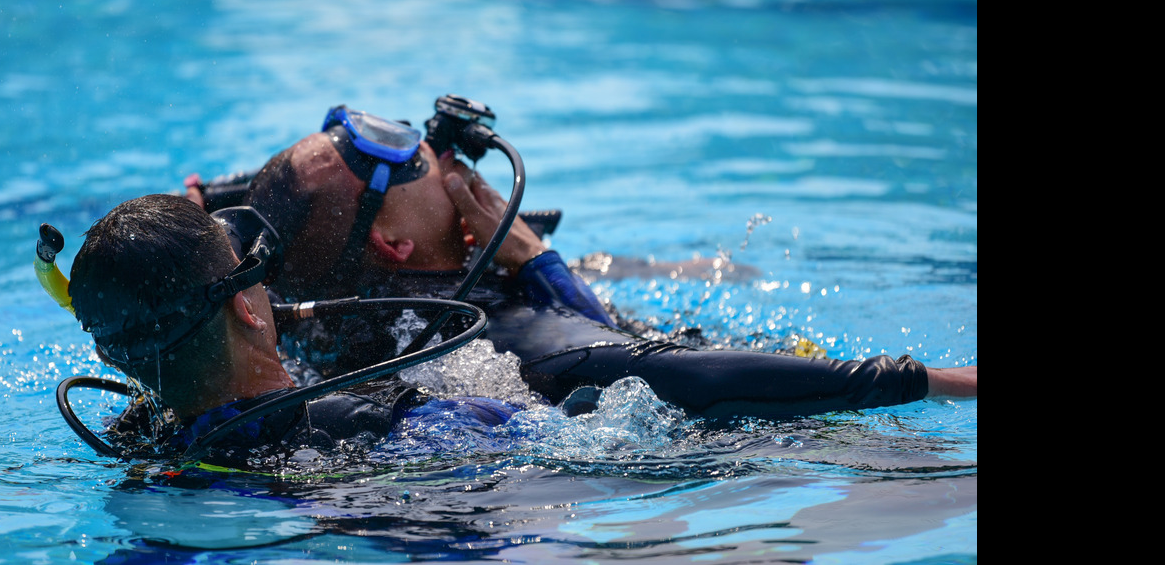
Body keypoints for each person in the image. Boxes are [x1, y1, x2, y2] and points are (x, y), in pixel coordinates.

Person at [240, 105, 977, 419]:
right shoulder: (495, 329)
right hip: (742, 447)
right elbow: (650, 368)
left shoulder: (315, 317)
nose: (433, 154)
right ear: (393, 247)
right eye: (406, 166)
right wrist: (939, 381)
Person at [63, 193, 518, 463]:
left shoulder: (138, 439)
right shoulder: (386, 423)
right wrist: (539, 263)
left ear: (107, 355)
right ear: (246, 308)